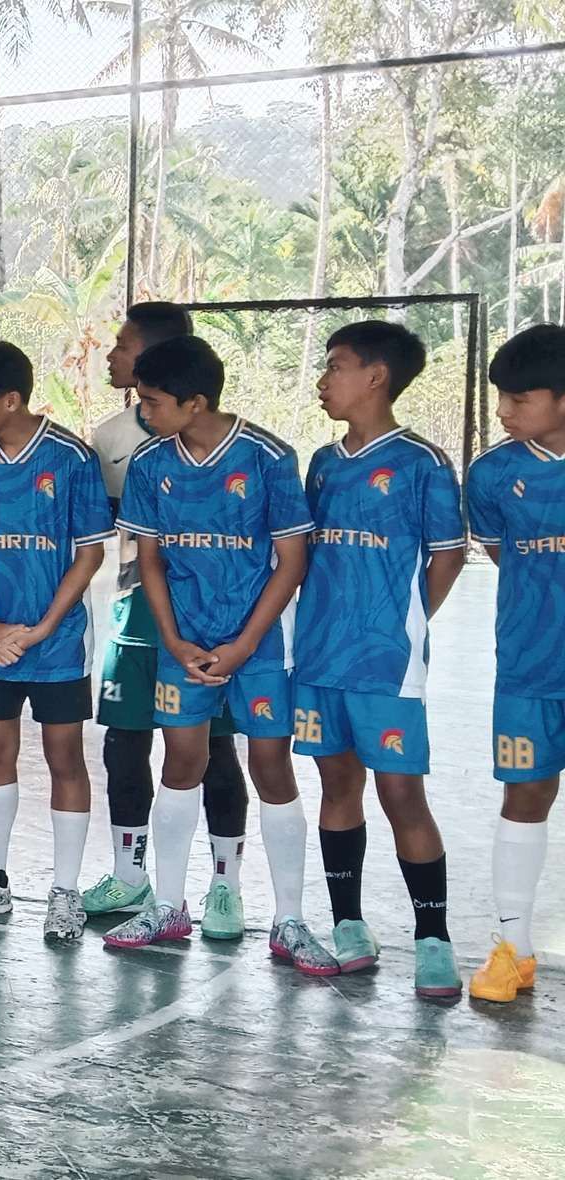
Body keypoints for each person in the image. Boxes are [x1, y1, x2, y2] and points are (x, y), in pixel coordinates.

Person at [109, 335, 326, 971]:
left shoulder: (267, 457)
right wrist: (174, 639)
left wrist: (246, 643)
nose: (143, 411)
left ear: (195, 402)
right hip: (184, 642)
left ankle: (289, 920)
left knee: (271, 767)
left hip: (257, 645)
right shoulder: (150, 463)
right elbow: (149, 559)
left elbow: (292, 560)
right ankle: (168, 906)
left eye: (152, 401)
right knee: (182, 760)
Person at [291, 320, 465, 995]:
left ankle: (433, 938)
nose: (322, 380)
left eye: (335, 366)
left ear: (376, 376)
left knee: (400, 793)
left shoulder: (424, 462)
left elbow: (447, 554)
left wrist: (405, 622)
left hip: (386, 663)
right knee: (338, 787)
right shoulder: (324, 462)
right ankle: (349, 925)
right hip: (318, 655)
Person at [83, 303, 254, 929]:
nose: (112, 356)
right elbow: (114, 534)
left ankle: (224, 886)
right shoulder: (111, 438)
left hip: (210, 625)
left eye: (123, 345)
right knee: (124, 745)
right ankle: (130, 877)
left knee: (215, 750)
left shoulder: (233, 447)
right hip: (137, 618)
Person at [0, 343, 111, 937]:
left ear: (11, 400)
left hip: (58, 643)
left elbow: (89, 554)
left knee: (65, 758)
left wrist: (45, 627)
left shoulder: (72, 459)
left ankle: (65, 891)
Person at [466, 323, 565, 1003]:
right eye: (500, 396)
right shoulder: (493, 474)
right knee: (525, 793)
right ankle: (513, 949)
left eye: (519, 398)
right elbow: (505, 555)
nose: (503, 410)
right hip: (529, 664)